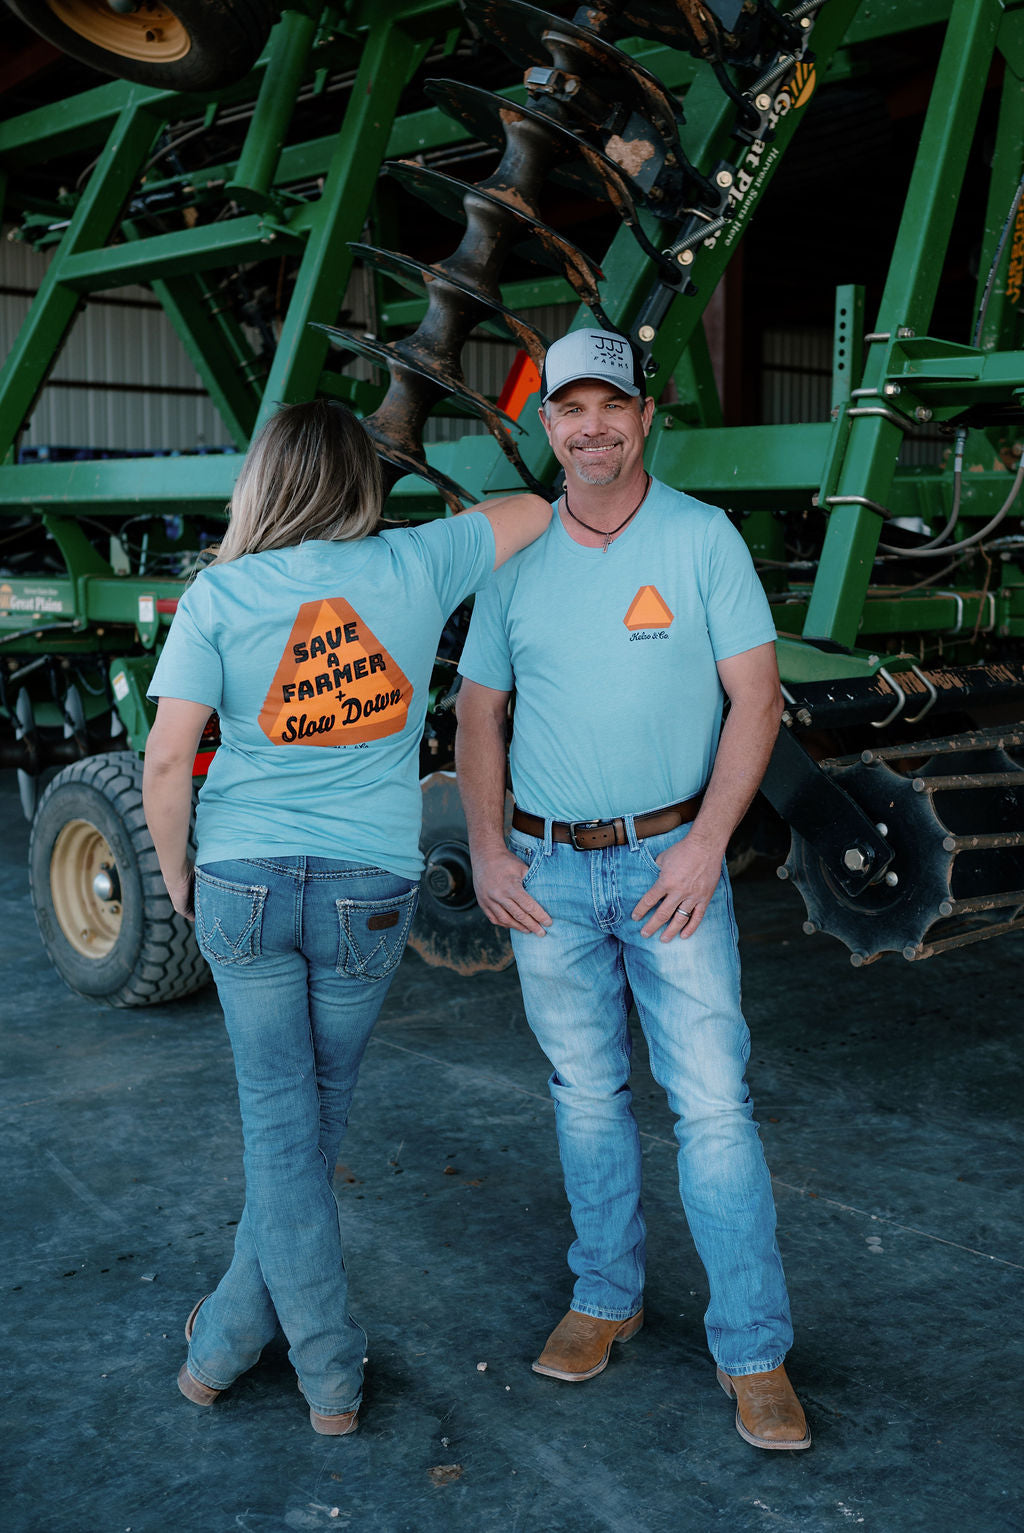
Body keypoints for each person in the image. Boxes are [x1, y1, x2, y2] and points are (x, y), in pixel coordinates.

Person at [143, 399, 550, 1435]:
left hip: (242, 880)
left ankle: (264, 1354)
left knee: (286, 1129)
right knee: (308, 1124)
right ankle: (272, 1355)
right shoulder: (417, 564)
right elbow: (534, 512)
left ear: (264, 482)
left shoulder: (221, 592)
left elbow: (166, 759)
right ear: (362, 481)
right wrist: (422, 532)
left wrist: (178, 874)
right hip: (367, 890)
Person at [454, 328, 809, 1450]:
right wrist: (487, 850)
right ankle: (606, 1295)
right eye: (572, 409)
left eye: (613, 405)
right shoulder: (515, 559)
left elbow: (757, 700)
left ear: (646, 416)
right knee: (585, 1095)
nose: (592, 427)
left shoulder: (702, 539)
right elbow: (477, 713)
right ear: (548, 425)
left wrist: (706, 846)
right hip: (547, 872)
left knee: (712, 1107)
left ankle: (753, 1351)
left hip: (670, 869)